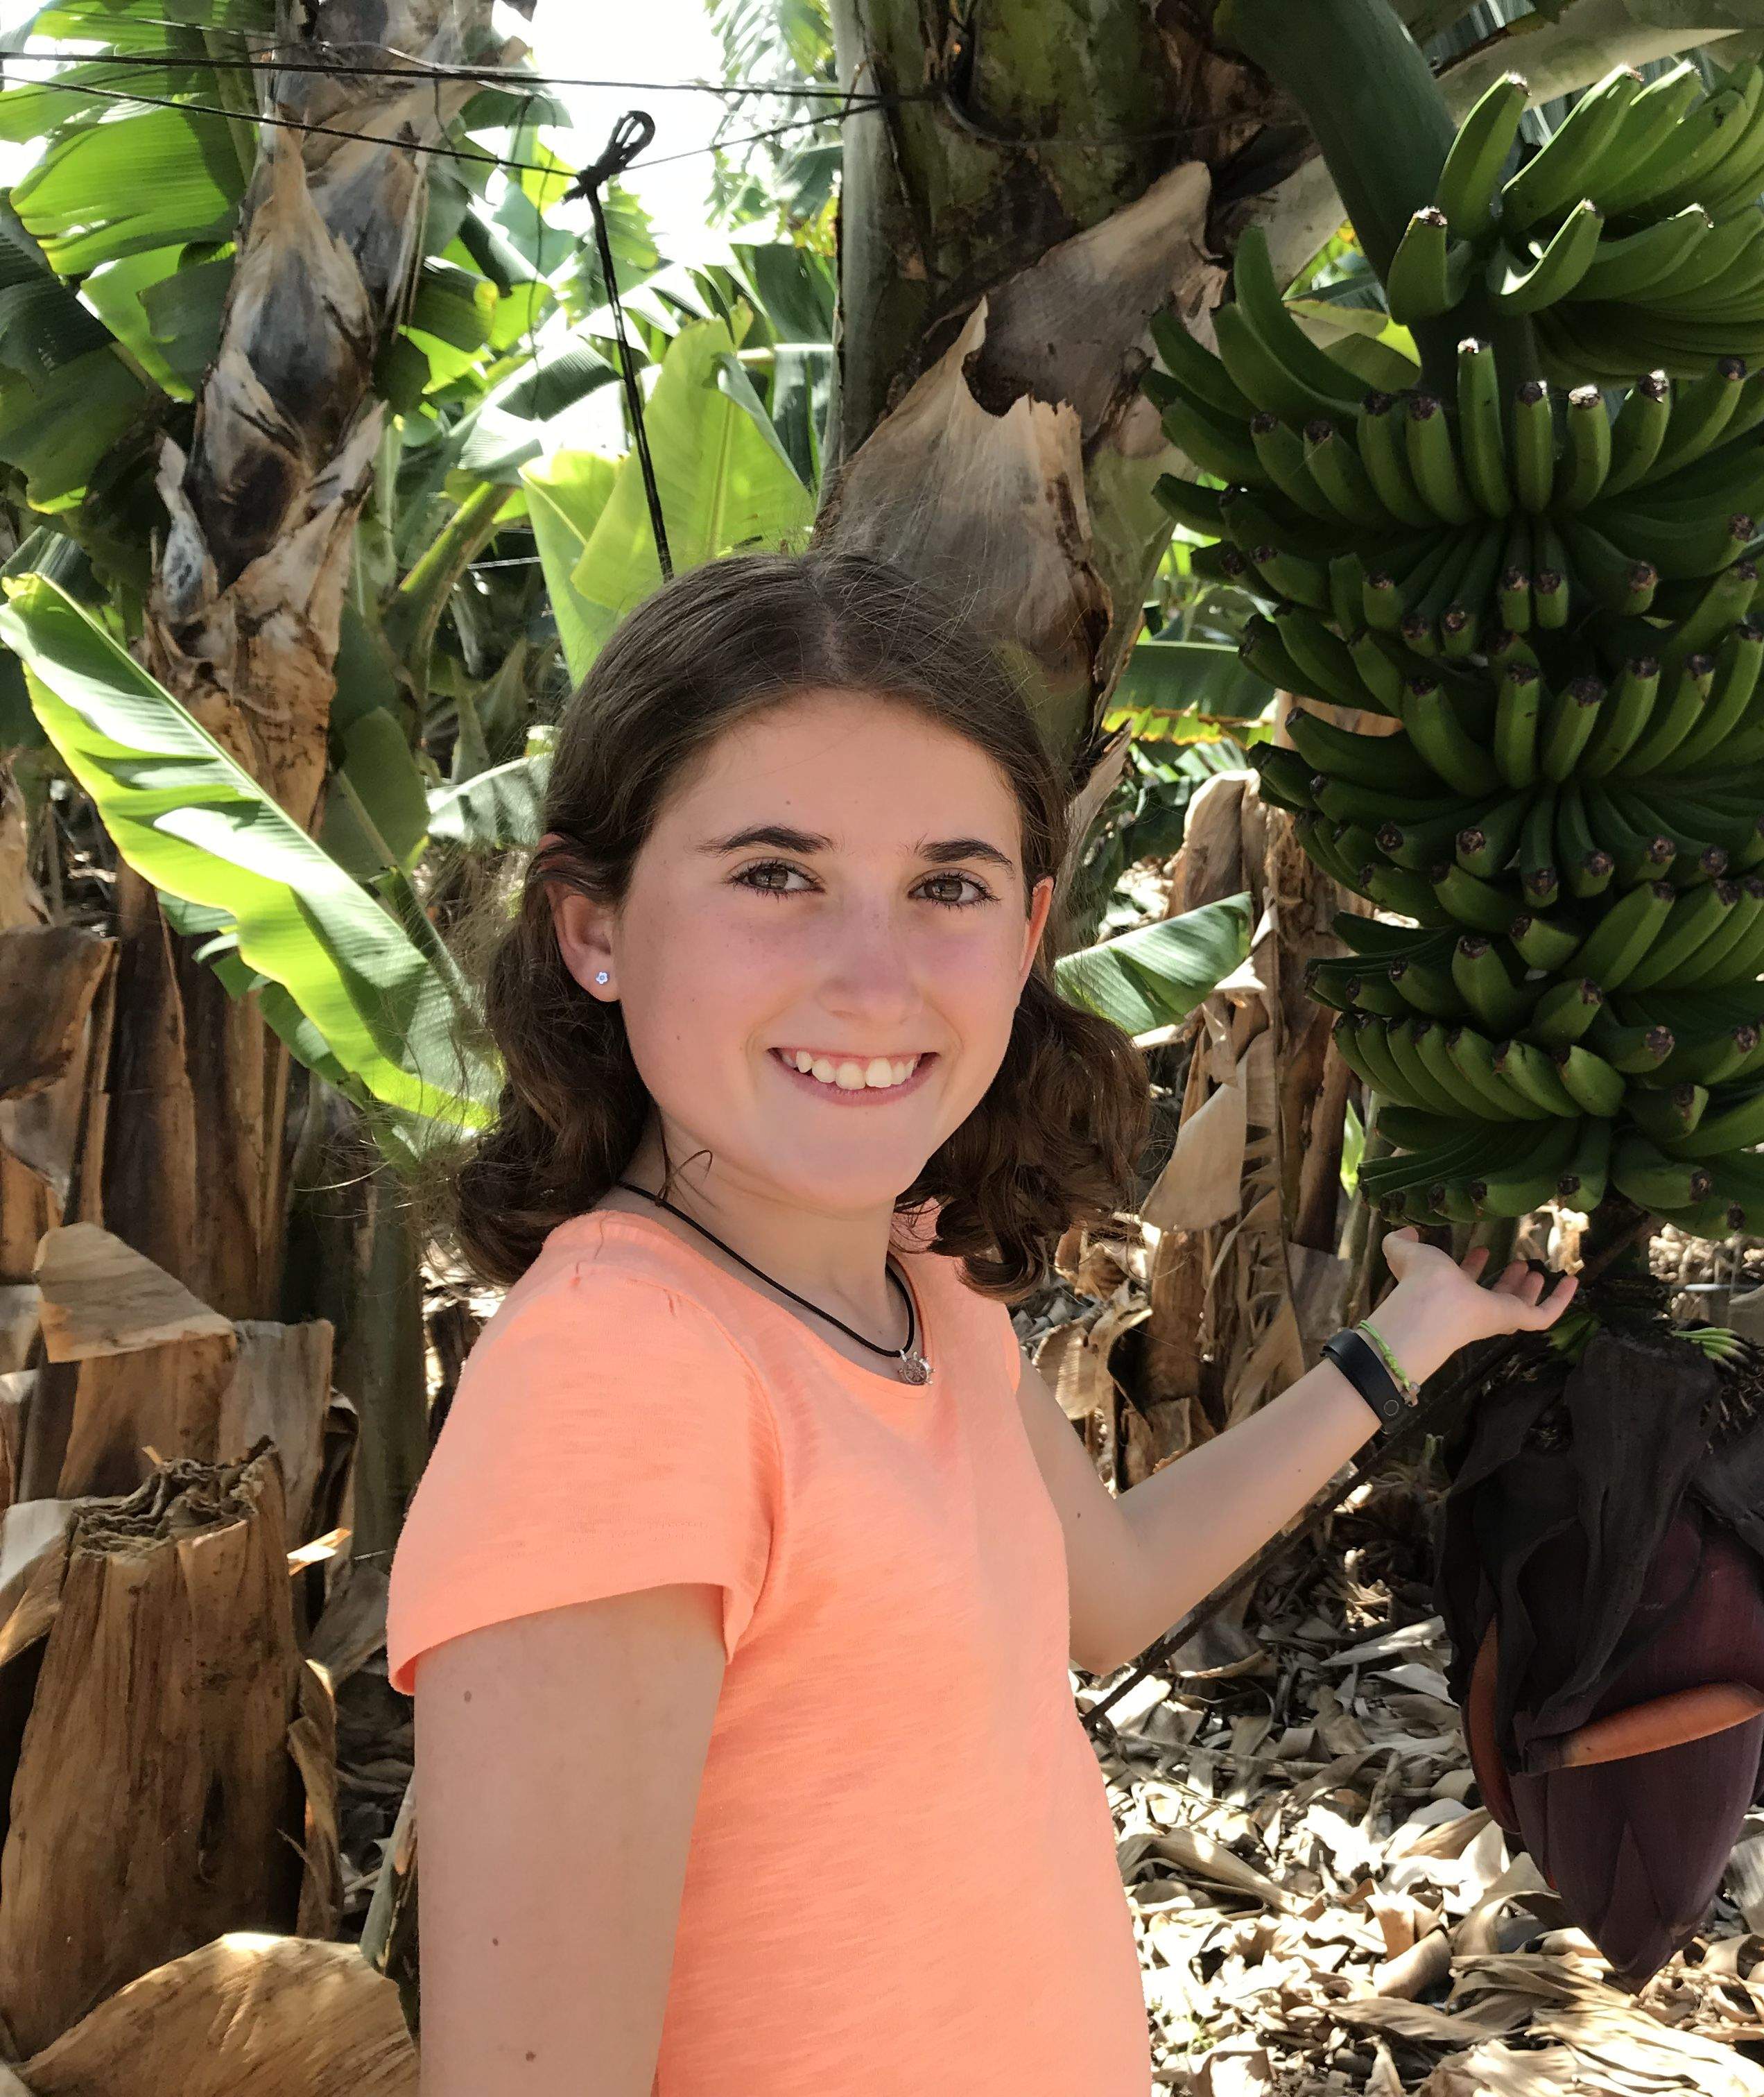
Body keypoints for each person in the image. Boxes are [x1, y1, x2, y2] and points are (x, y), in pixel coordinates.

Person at [386, 552, 1575, 2097]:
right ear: (592, 930)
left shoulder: (912, 1277)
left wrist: (1405, 1338)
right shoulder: (620, 1385)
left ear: (1024, 931)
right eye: (774, 874)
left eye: (944, 886)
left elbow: (1112, 1592)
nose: (875, 980)